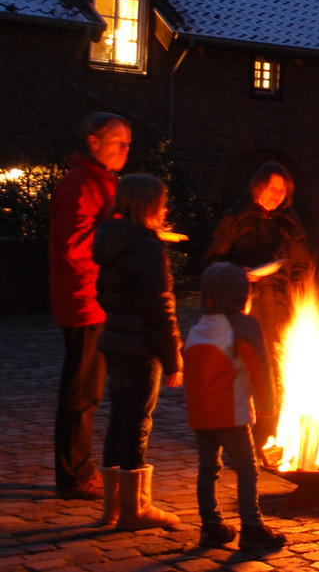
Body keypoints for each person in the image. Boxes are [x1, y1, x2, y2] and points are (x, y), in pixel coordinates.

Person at [92, 174, 183, 531]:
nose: (165, 208)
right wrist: (173, 356)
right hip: (141, 345)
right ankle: (135, 509)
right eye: (162, 202)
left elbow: (105, 292)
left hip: (114, 339)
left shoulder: (111, 239)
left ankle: (111, 509)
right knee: (137, 423)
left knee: (118, 419)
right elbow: (160, 306)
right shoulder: (146, 246)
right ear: (150, 205)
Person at [49, 112, 131, 499]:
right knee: (82, 391)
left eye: (129, 143)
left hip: (97, 298)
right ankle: (75, 475)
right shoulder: (81, 184)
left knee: (90, 390)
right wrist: (121, 236)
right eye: (119, 142)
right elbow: (74, 244)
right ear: (94, 141)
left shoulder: (101, 182)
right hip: (85, 298)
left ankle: (80, 470)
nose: (126, 150)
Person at [203, 161, 312, 446]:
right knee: (247, 367)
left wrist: (299, 297)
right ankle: (240, 436)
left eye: (282, 189)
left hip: (280, 304)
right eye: (272, 187)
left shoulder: (290, 222)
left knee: (277, 367)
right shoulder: (236, 218)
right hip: (245, 306)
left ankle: (272, 434)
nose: (277, 194)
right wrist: (239, 274)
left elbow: (302, 265)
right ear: (257, 186)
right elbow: (213, 260)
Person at [184, 261, 286, 553]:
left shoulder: (198, 326)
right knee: (246, 469)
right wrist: (268, 407)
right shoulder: (243, 325)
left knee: (207, 469)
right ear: (242, 294)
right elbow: (259, 367)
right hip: (231, 414)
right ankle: (252, 528)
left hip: (200, 415)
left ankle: (211, 527)